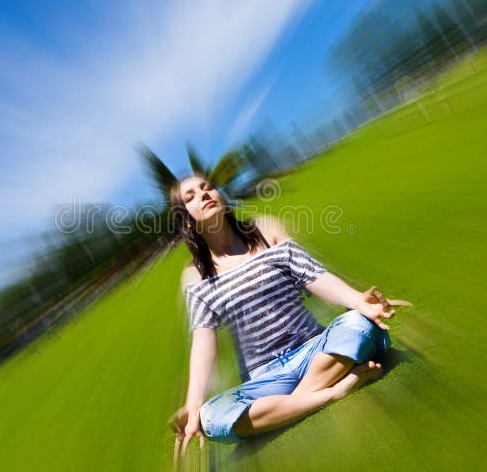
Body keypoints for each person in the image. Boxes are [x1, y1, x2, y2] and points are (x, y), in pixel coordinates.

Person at [166, 174, 410, 464]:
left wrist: (357, 300)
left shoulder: (265, 229)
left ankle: (285, 409)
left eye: (207, 187)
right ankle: (332, 392)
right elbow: (204, 340)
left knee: (359, 324)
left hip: (315, 350)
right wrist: (193, 405)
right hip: (266, 377)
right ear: (188, 222)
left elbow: (313, 275)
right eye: (191, 196)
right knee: (211, 418)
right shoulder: (194, 276)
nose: (204, 194)